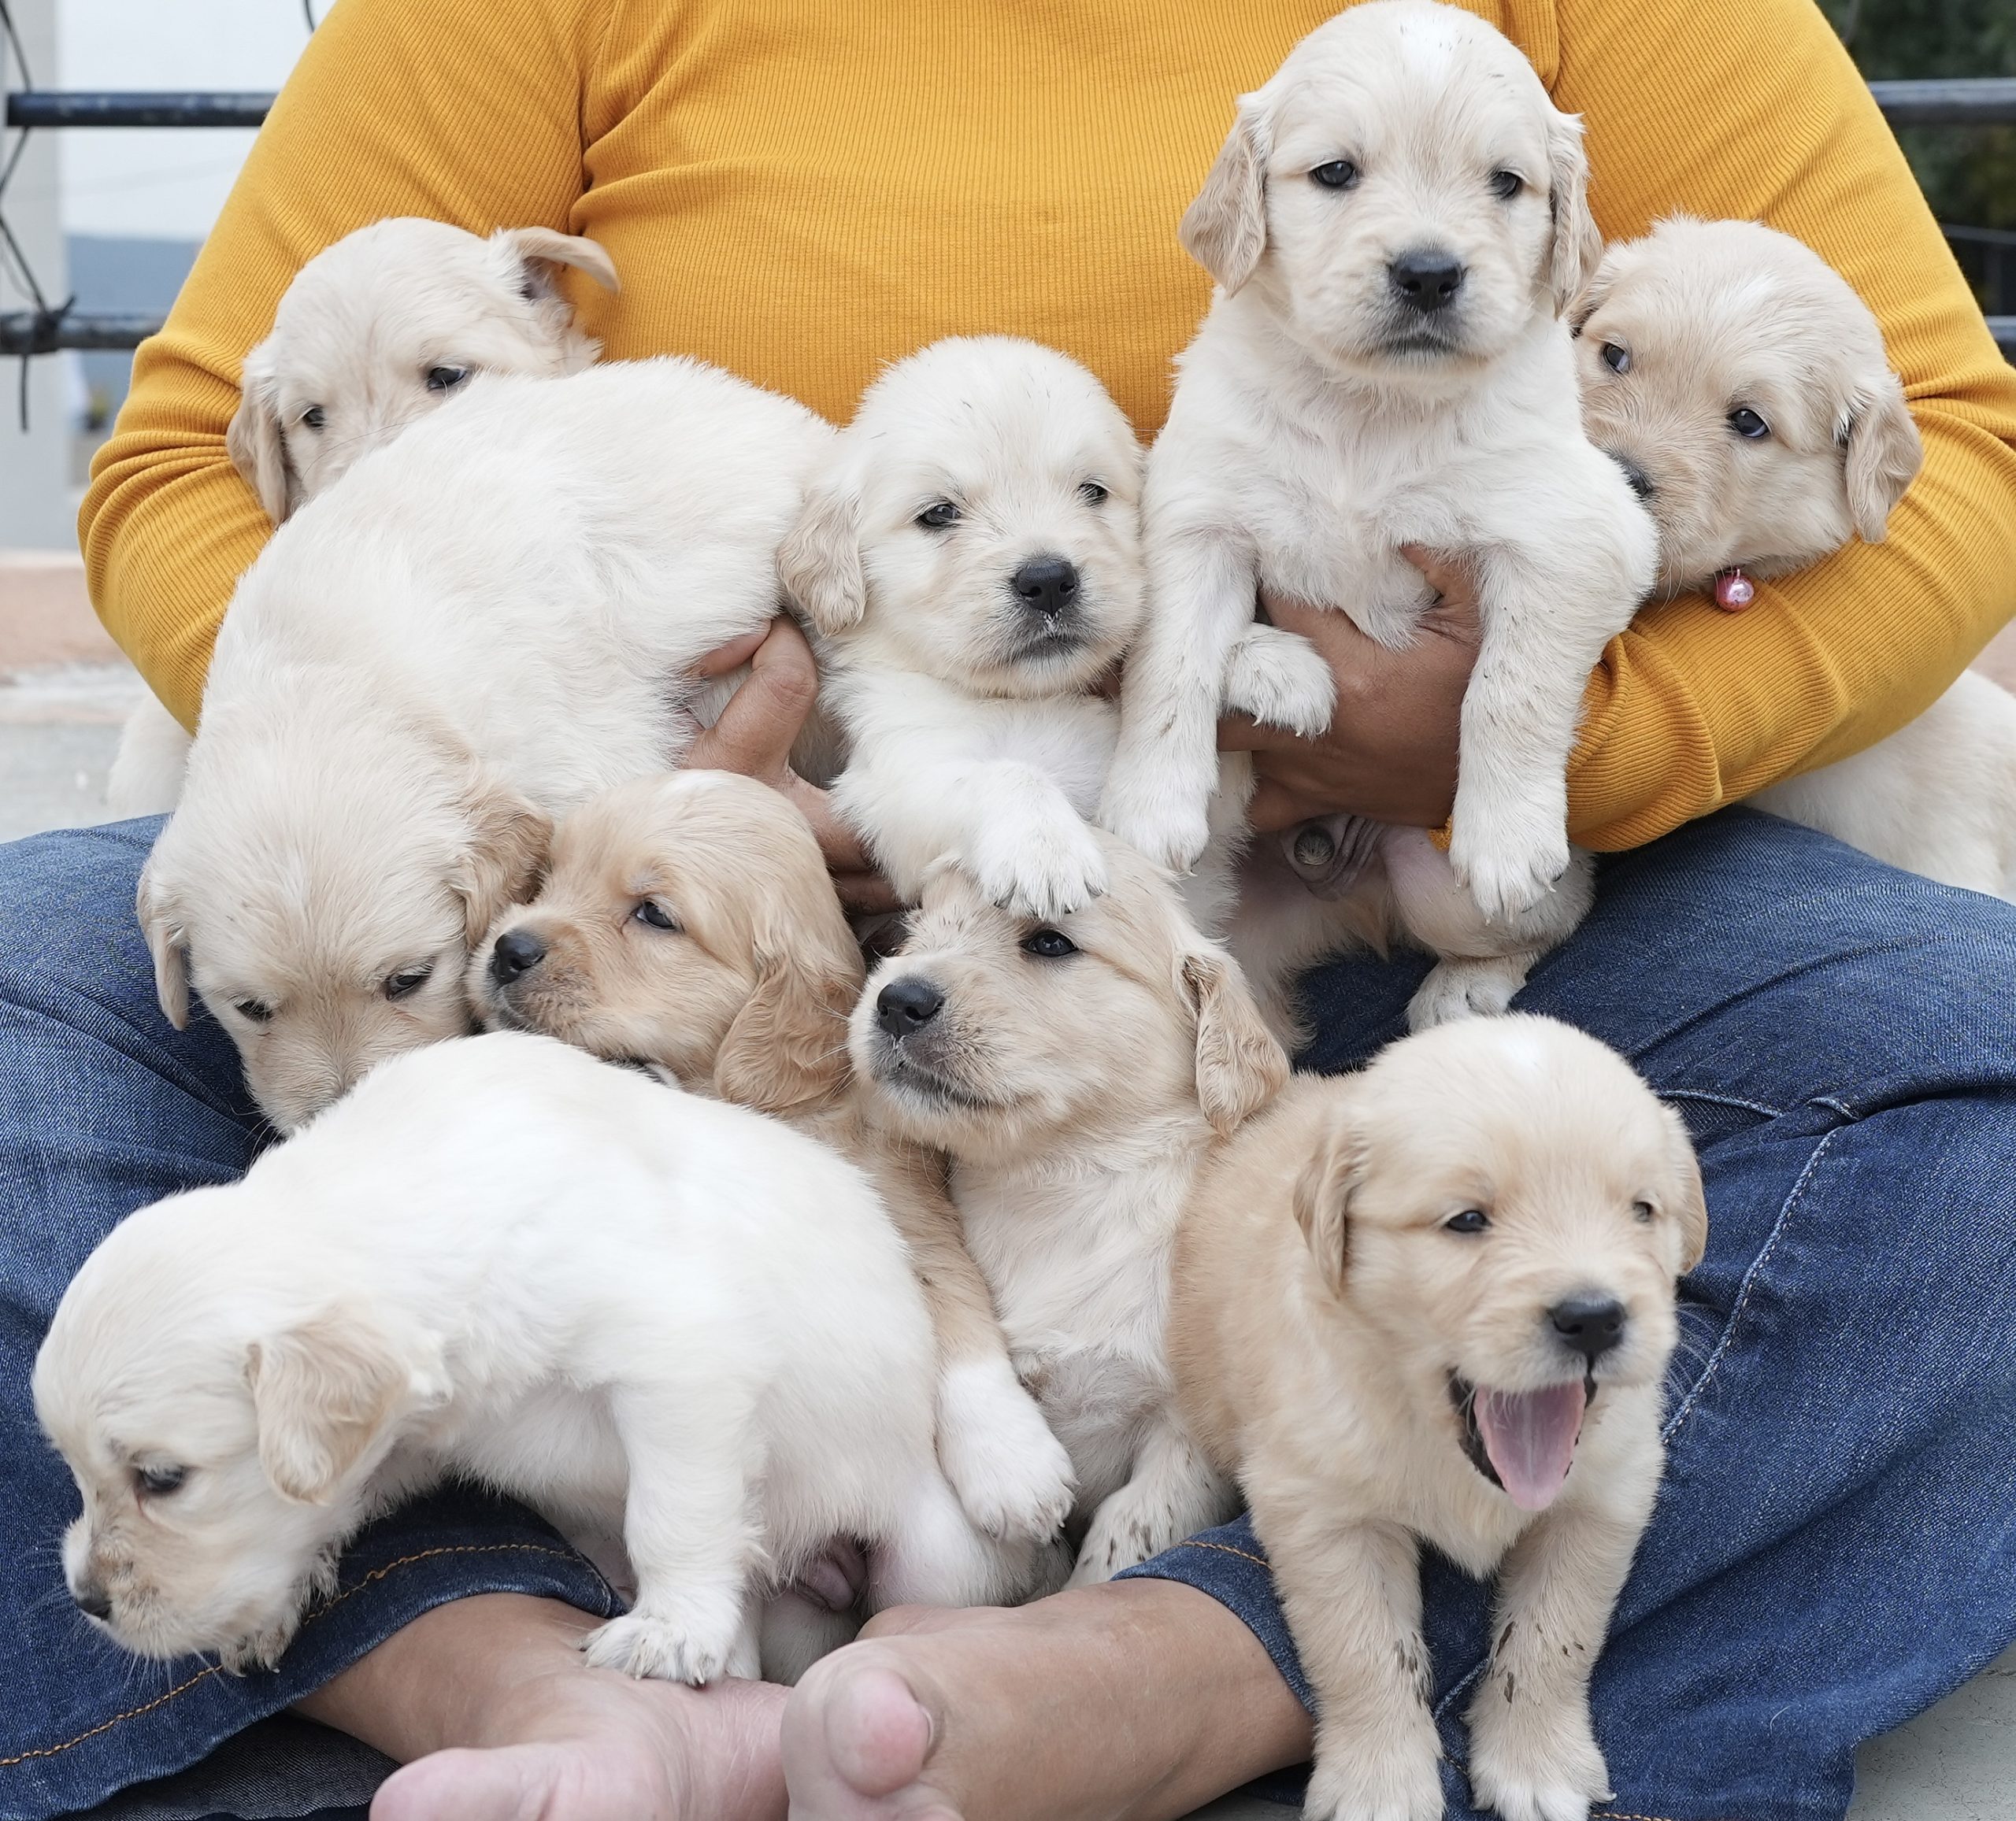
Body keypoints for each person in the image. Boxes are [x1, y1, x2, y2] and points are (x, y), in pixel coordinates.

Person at [4, 0, 2013, 1816]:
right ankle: (525, 1668)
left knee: (1962, 1066)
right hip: (640, 943)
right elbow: (185, 468)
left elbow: (1955, 447)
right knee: (29, 1016)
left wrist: (1560, 739)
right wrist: (566, 806)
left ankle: (1168, 1667)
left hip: (1404, 914)